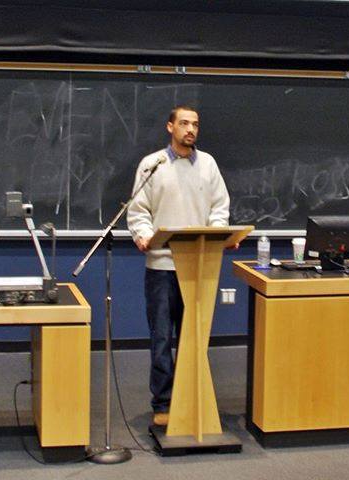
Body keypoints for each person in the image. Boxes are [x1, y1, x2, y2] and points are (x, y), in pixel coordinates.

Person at [127, 106, 230, 426]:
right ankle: (163, 404)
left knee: (193, 337)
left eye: (195, 124)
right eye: (184, 123)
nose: (191, 129)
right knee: (162, 338)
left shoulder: (208, 165)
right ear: (170, 126)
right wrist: (143, 235)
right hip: (161, 268)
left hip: (197, 266)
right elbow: (139, 211)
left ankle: (192, 397)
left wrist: (217, 234)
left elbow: (219, 208)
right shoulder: (153, 164)